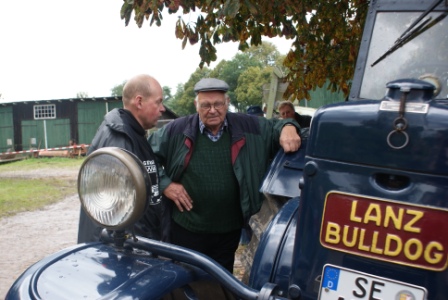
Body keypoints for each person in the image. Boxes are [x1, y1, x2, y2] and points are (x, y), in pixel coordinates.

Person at [148, 78, 301, 273]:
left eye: (218, 104)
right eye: (206, 105)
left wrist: (289, 127)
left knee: (219, 283)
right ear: (196, 106)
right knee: (186, 281)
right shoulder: (177, 130)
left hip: (229, 232)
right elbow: (145, 155)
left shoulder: (248, 127)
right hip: (187, 229)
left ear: (227, 103)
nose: (212, 110)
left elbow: (276, 127)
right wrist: (166, 184)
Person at [77, 74, 165, 243]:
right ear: (139, 102)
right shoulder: (121, 141)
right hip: (127, 251)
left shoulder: (134, 134)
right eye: (158, 102)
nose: (162, 108)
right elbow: (119, 212)